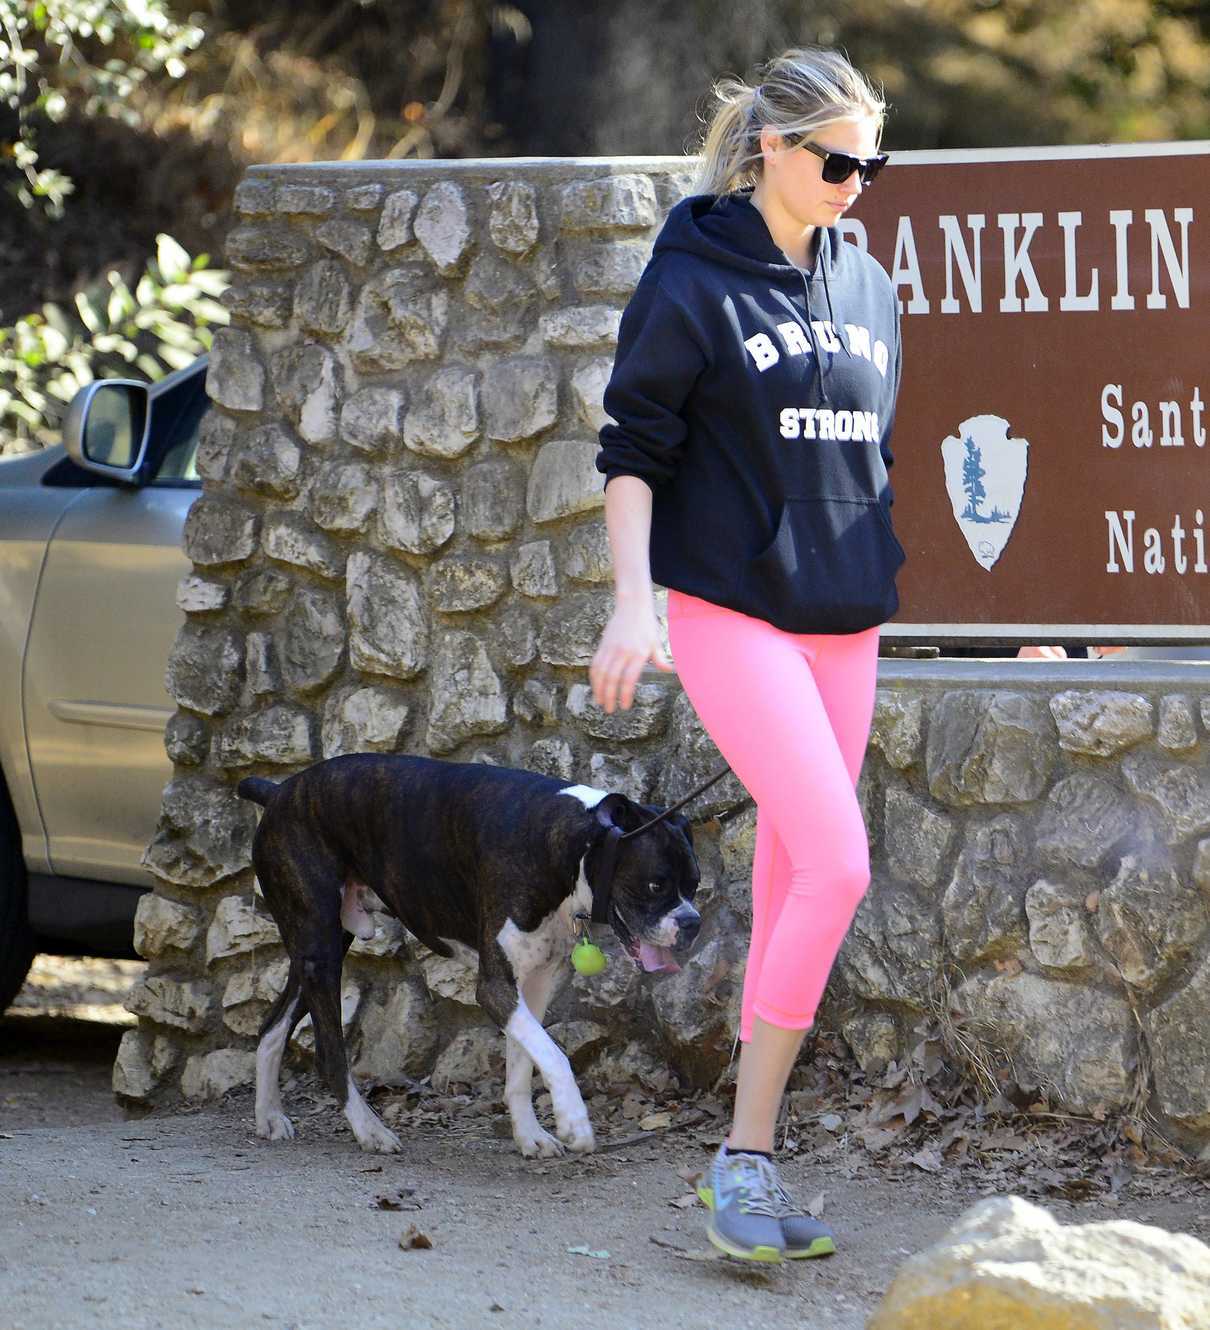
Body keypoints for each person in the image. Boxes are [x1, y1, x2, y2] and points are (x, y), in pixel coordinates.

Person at [588, 47, 904, 1264]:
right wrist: (633, 605)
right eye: (834, 159)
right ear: (769, 147)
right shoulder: (691, 279)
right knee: (837, 862)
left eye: (870, 161)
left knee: (791, 880)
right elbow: (633, 453)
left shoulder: (871, 286)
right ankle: (746, 1160)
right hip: (731, 612)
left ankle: (747, 1167)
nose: (853, 182)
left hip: (846, 621)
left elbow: (864, 458)